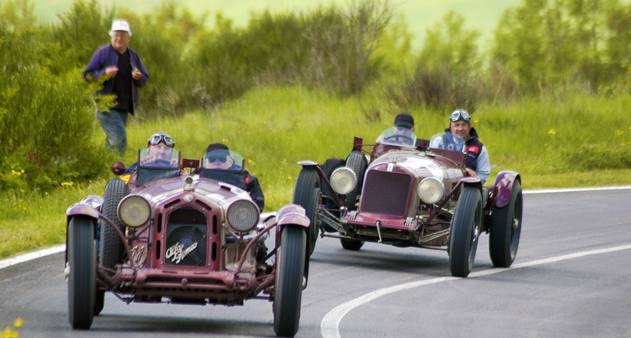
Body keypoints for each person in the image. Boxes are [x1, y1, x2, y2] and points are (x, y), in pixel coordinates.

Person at [83, 19, 149, 155]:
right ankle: (117, 167)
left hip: (124, 106)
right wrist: (104, 74)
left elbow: (144, 80)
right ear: (111, 36)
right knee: (120, 140)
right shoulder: (102, 53)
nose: (119, 38)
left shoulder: (133, 56)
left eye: (123, 35)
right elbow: (87, 75)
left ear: (128, 37)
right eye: (116, 34)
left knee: (112, 141)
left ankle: (102, 165)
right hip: (106, 106)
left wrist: (138, 77)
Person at [430, 109, 490, 183]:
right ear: (450, 126)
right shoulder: (440, 141)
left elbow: (484, 175)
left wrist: (475, 177)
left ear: (469, 126)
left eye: (463, 125)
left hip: (467, 187)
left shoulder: (479, 147)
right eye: (457, 125)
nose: (460, 128)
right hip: (442, 184)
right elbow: (431, 165)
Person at [202, 143, 265, 210]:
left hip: (236, 214)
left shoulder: (243, 176)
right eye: (212, 159)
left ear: (229, 160)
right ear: (206, 161)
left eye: (222, 158)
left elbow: (258, 203)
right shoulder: (197, 175)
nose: (217, 162)